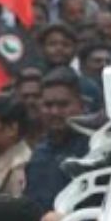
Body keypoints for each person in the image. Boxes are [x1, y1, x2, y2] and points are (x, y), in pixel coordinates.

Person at [23, 67, 90, 212]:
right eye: (48, 105)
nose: (55, 112)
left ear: (81, 106)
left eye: (63, 105)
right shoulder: (38, 154)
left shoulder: (96, 152)